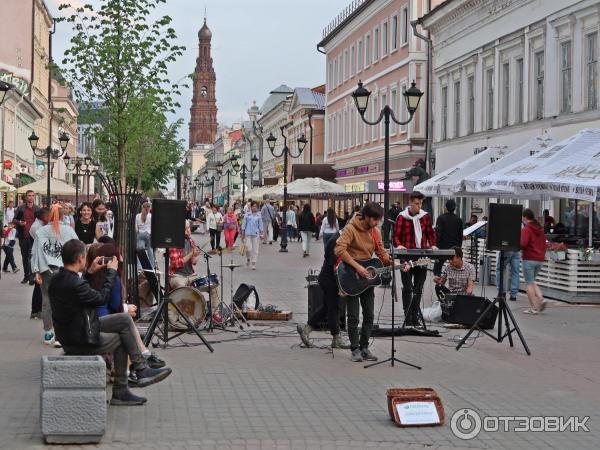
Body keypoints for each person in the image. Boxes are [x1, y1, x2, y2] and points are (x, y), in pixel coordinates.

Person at [49, 239, 172, 406]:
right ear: (80, 259)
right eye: (84, 258)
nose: (86, 261)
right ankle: (125, 386)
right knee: (123, 337)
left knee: (123, 320)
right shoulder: (76, 284)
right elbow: (101, 298)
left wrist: (90, 273)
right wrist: (111, 273)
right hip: (80, 340)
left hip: (76, 330)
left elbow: (78, 291)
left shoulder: (57, 279)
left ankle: (140, 369)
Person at [335, 202, 393, 362]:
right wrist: (357, 267)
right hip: (351, 275)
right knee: (353, 316)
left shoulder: (375, 232)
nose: (377, 223)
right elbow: (339, 249)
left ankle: (364, 347)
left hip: (368, 278)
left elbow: (381, 252)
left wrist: (395, 262)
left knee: (369, 315)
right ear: (366, 216)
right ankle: (354, 349)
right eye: (374, 219)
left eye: (378, 220)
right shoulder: (351, 228)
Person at [31, 204, 79, 346]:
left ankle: (48, 333)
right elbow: (77, 247)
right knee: (65, 300)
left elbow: (35, 252)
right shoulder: (68, 230)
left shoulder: (41, 231)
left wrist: (36, 270)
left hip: (47, 269)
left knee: (47, 300)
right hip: (65, 269)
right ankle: (62, 334)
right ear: (63, 215)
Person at [297, 232, 350, 349]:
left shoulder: (343, 238)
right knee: (333, 308)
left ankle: (306, 328)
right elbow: (336, 267)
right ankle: (336, 338)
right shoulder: (335, 241)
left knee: (327, 308)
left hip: (331, 278)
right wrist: (341, 287)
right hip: (329, 280)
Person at [393, 191, 437, 327]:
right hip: (406, 256)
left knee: (418, 288)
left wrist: (433, 245)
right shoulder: (401, 217)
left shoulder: (425, 217)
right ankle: (408, 316)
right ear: (410, 203)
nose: (419, 206)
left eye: (421, 203)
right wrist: (399, 244)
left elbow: (430, 233)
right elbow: (395, 236)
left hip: (422, 256)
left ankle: (415, 316)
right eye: (417, 203)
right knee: (407, 288)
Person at [520, 209, 547, 314]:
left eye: (523, 217)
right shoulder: (540, 228)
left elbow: (523, 244)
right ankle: (541, 298)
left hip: (529, 258)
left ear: (525, 217)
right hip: (539, 259)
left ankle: (533, 308)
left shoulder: (526, 229)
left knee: (529, 283)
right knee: (532, 281)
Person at [13, 190, 39, 284]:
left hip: (34, 237)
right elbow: (14, 220)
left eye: (32, 195)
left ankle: (32, 277)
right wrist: (19, 222)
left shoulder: (37, 209)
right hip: (23, 236)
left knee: (32, 257)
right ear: (26, 197)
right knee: (25, 257)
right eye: (29, 195)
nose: (31, 197)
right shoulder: (21, 209)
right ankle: (26, 276)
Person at [434, 199, 464, 276]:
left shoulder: (441, 218)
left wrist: (436, 246)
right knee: (456, 267)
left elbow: (438, 234)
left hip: (442, 247)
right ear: (455, 208)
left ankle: (438, 283)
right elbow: (461, 235)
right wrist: (459, 248)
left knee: (438, 268)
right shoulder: (459, 220)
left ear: (446, 207)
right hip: (455, 248)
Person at [168, 221, 201, 289]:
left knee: (211, 286)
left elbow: (193, 262)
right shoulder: (174, 243)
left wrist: (195, 256)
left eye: (188, 228)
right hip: (177, 275)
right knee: (183, 289)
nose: (188, 231)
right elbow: (177, 263)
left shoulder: (191, 241)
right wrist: (191, 253)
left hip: (191, 274)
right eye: (185, 229)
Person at [241, 202, 264, 270]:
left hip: (256, 234)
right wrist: (242, 233)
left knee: (255, 249)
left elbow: (261, 225)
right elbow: (244, 224)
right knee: (248, 248)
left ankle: (253, 263)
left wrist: (262, 234)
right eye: (253, 206)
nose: (254, 207)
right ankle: (248, 258)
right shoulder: (247, 214)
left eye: (256, 206)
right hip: (248, 233)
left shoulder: (258, 215)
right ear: (251, 207)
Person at [136, 202, 153, 266]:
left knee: (140, 251)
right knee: (150, 251)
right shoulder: (150, 216)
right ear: (149, 208)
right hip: (148, 234)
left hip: (140, 234)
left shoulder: (137, 216)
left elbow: (136, 228)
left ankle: (139, 267)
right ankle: (151, 266)